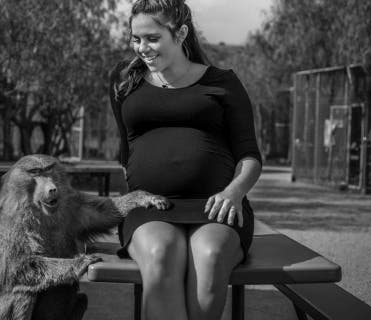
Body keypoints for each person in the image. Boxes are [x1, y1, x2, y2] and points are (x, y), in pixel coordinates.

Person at [108, 0, 263, 319]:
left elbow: (249, 156)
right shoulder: (124, 82)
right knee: (162, 252)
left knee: (209, 254)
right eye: (136, 38)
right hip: (150, 208)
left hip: (216, 206)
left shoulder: (223, 83)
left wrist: (234, 192)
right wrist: (141, 192)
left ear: (180, 34)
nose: (142, 48)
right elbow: (127, 150)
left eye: (152, 38)